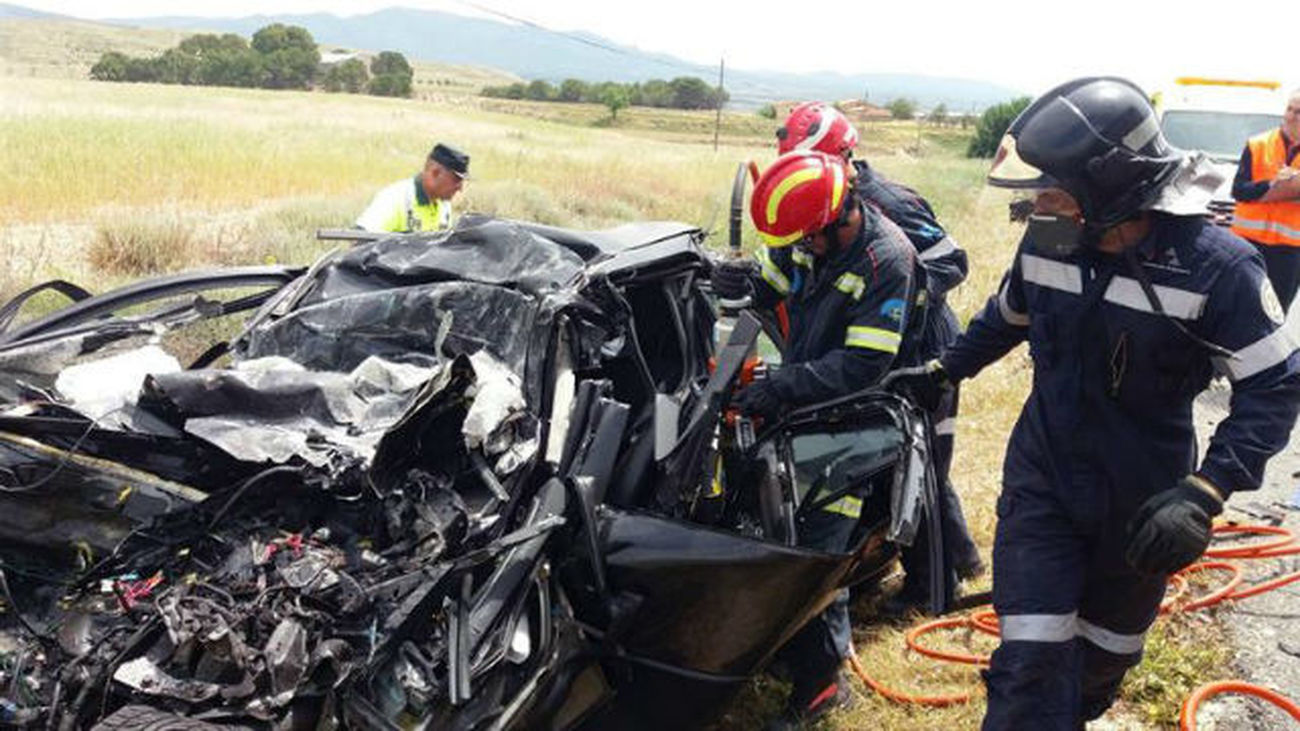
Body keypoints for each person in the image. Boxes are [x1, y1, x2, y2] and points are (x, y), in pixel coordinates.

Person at [890, 77, 1300, 730]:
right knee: (1030, 664)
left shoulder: (1216, 268)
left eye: (1054, 186)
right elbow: (1008, 316)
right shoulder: (1055, 233)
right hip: (1043, 482)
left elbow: (1275, 384)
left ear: (1110, 188)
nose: (1038, 201)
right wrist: (945, 367)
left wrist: (1204, 492)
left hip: (1142, 503)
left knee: (1102, 660)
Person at [713, 149, 927, 728]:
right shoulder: (806, 237)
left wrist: (780, 387)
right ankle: (791, 655)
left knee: (815, 553)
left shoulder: (887, 260)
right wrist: (736, 282)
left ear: (840, 218)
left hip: (854, 427)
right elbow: (771, 285)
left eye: (807, 241)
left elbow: (862, 365)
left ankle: (821, 689)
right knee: (782, 537)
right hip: (804, 410)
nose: (799, 251)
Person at [778, 101, 984, 610]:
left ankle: (932, 587)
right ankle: (932, 561)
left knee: (926, 467)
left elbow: (952, 261)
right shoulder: (821, 206)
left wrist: (894, 296)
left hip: (923, 348)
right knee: (887, 466)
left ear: (842, 158)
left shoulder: (887, 203)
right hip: (882, 340)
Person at [1231, 88, 1300, 312]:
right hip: (1248, 245)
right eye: (1290, 109)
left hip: (1289, 251)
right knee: (1239, 307)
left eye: (1299, 111)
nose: (1292, 116)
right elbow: (1239, 190)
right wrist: (1273, 185)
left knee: (1276, 313)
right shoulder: (1257, 144)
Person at [355, 142, 470, 233]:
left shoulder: (443, 204)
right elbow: (361, 238)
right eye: (456, 180)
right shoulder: (395, 198)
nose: (460, 188)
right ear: (435, 173)